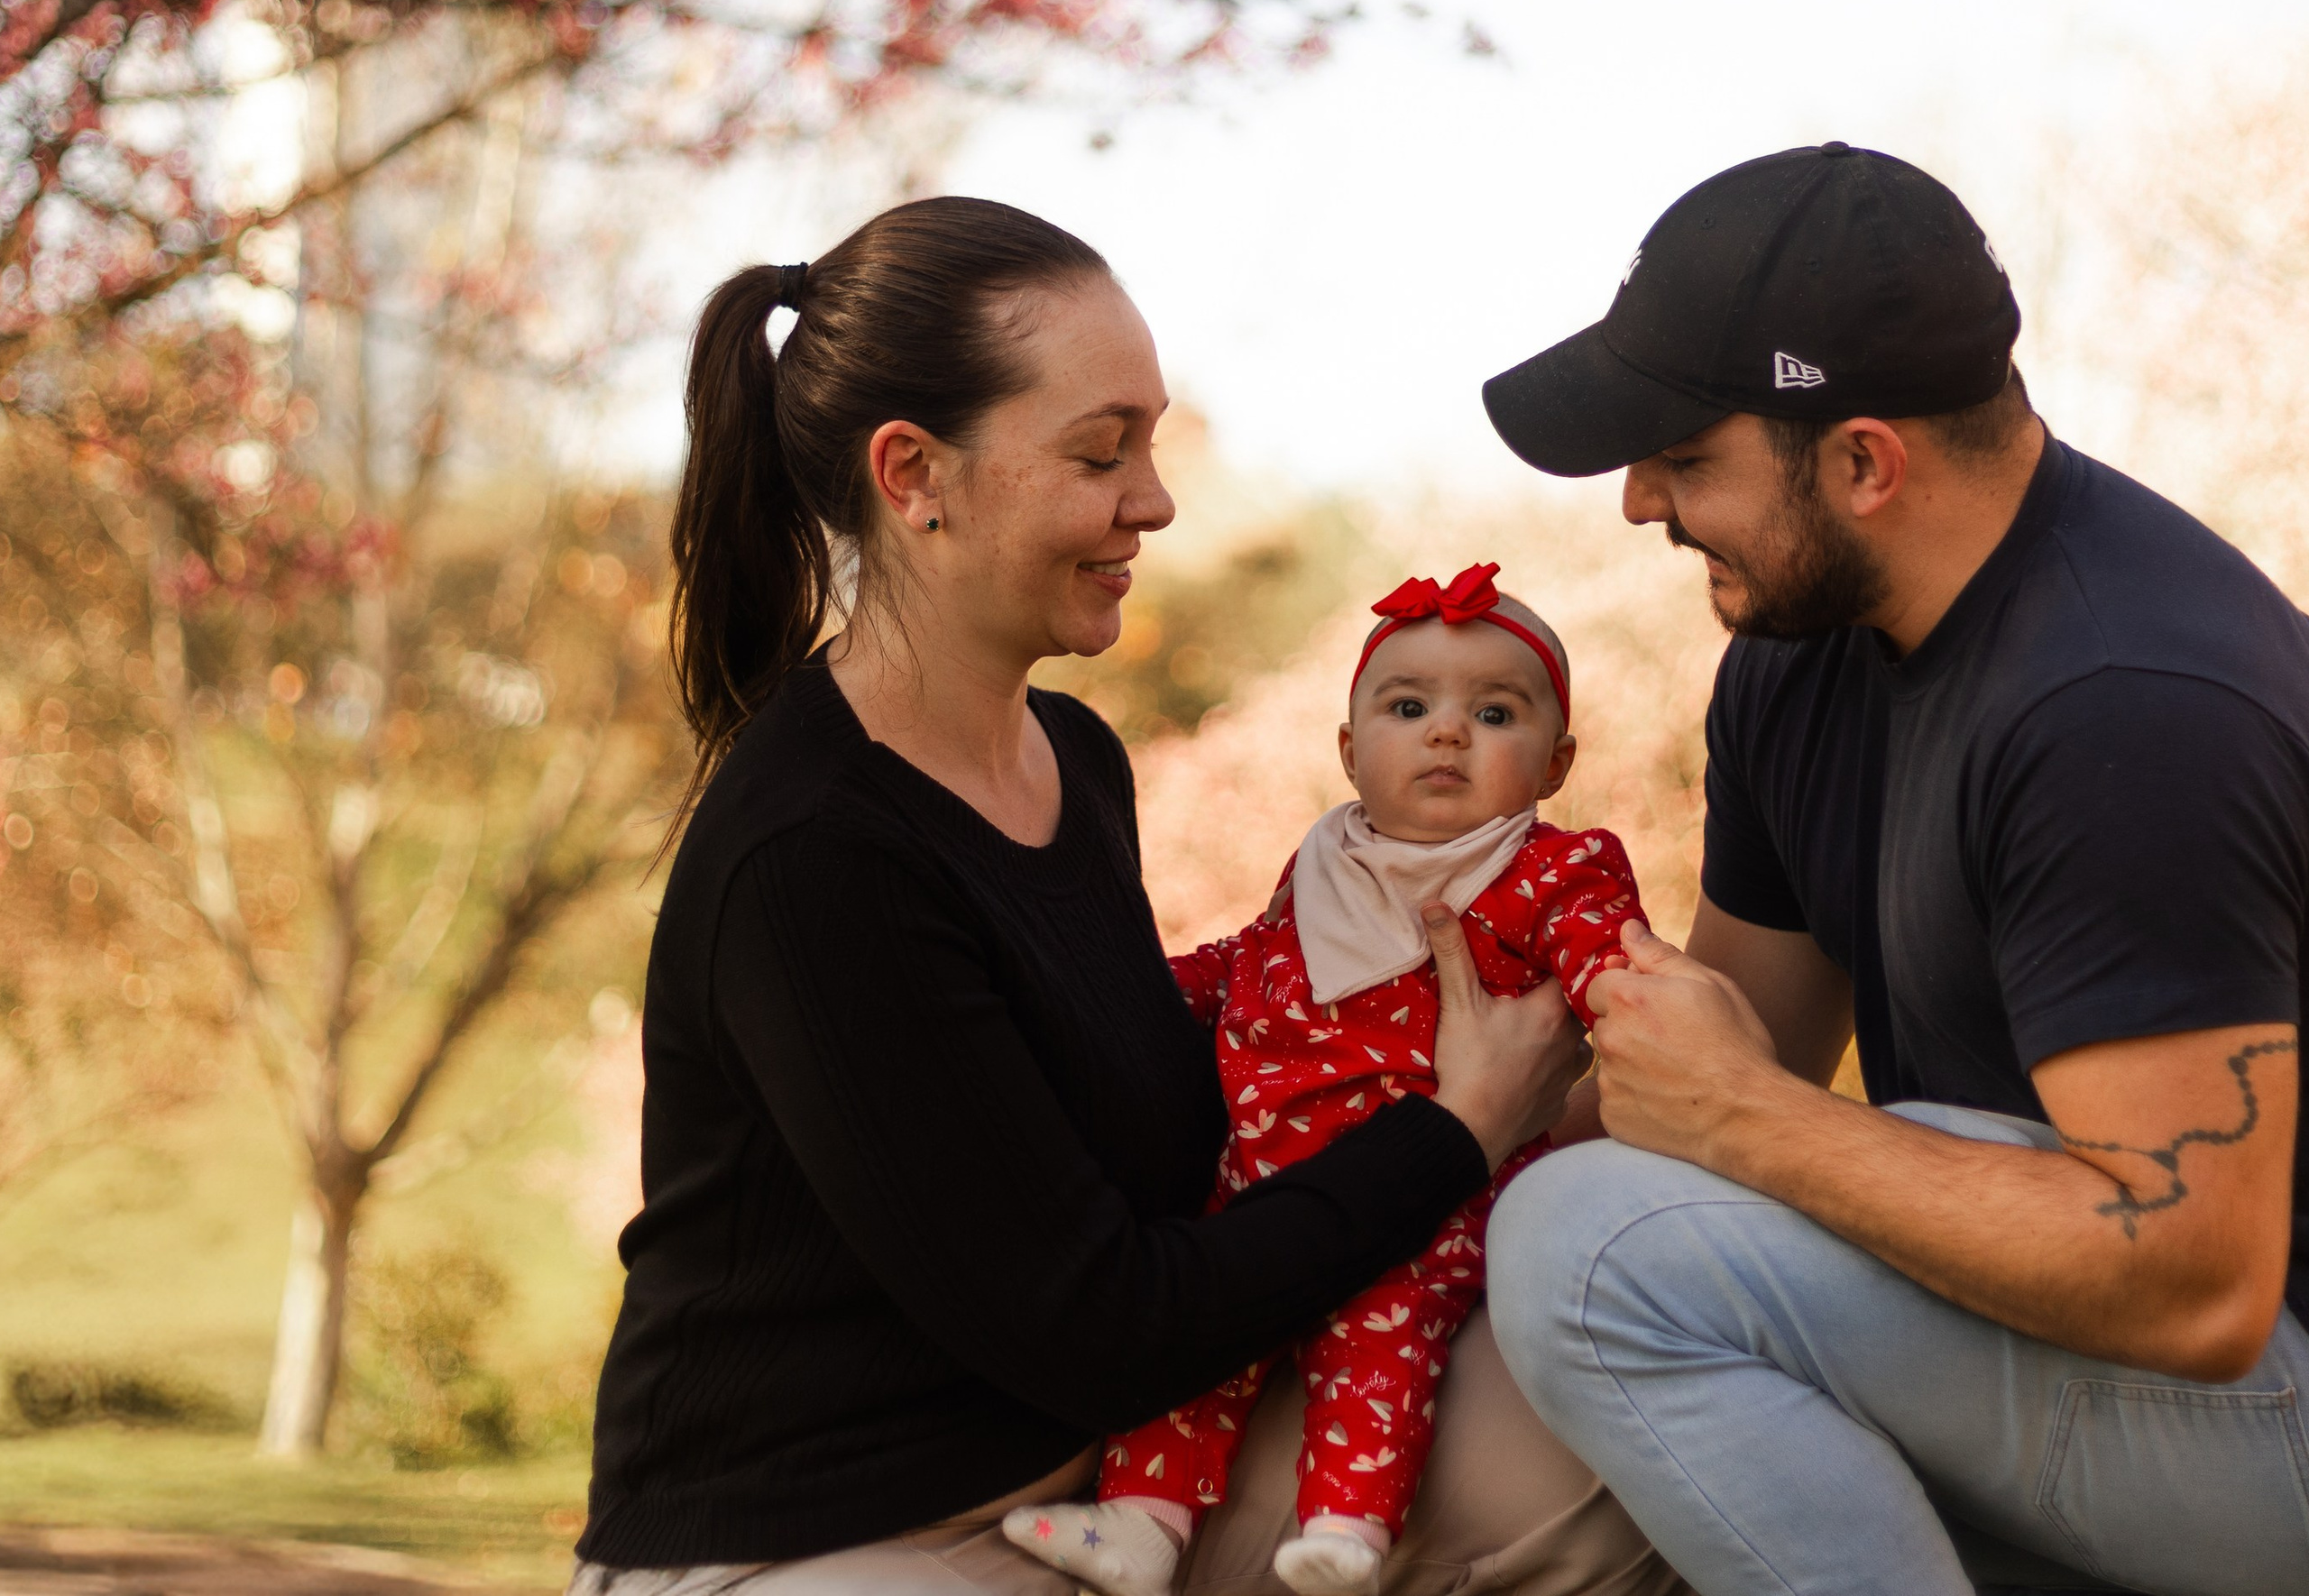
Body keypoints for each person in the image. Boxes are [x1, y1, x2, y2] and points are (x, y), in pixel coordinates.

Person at [569, 197, 1682, 1596]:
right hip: (821, 1540)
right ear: (914, 473)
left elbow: (1181, 1141)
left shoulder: (1075, 761)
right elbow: (1098, 1326)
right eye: (1103, 453)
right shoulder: (814, 855)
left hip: (1101, 1476)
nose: (1153, 500)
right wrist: (1456, 1130)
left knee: (1613, 1472)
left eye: (1150, 445)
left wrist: (1388, 1022)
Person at [1475, 142, 2307, 1596]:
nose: (1639, 503)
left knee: (1590, 1253)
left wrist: (1739, 1117)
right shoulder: (1801, 657)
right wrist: (1396, 1158)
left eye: (1686, 458)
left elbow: (2197, 1286)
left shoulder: (2125, 703)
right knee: (1567, 1221)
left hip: (2256, 1389)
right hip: (2090, 1353)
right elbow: (1725, 1060)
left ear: (1864, 462)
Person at [1003, 562, 1644, 1596]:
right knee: (1199, 1342)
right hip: (1262, 1176)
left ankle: (1347, 1528)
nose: (1447, 732)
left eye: (1493, 712)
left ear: (1557, 760)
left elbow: (1606, 959)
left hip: (1434, 1191)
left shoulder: (1546, 872)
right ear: (1349, 750)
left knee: (1377, 1336)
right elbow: (1251, 960)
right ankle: (1140, 1526)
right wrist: (1139, 996)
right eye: (1408, 707)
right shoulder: (1325, 862)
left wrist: (1625, 993)